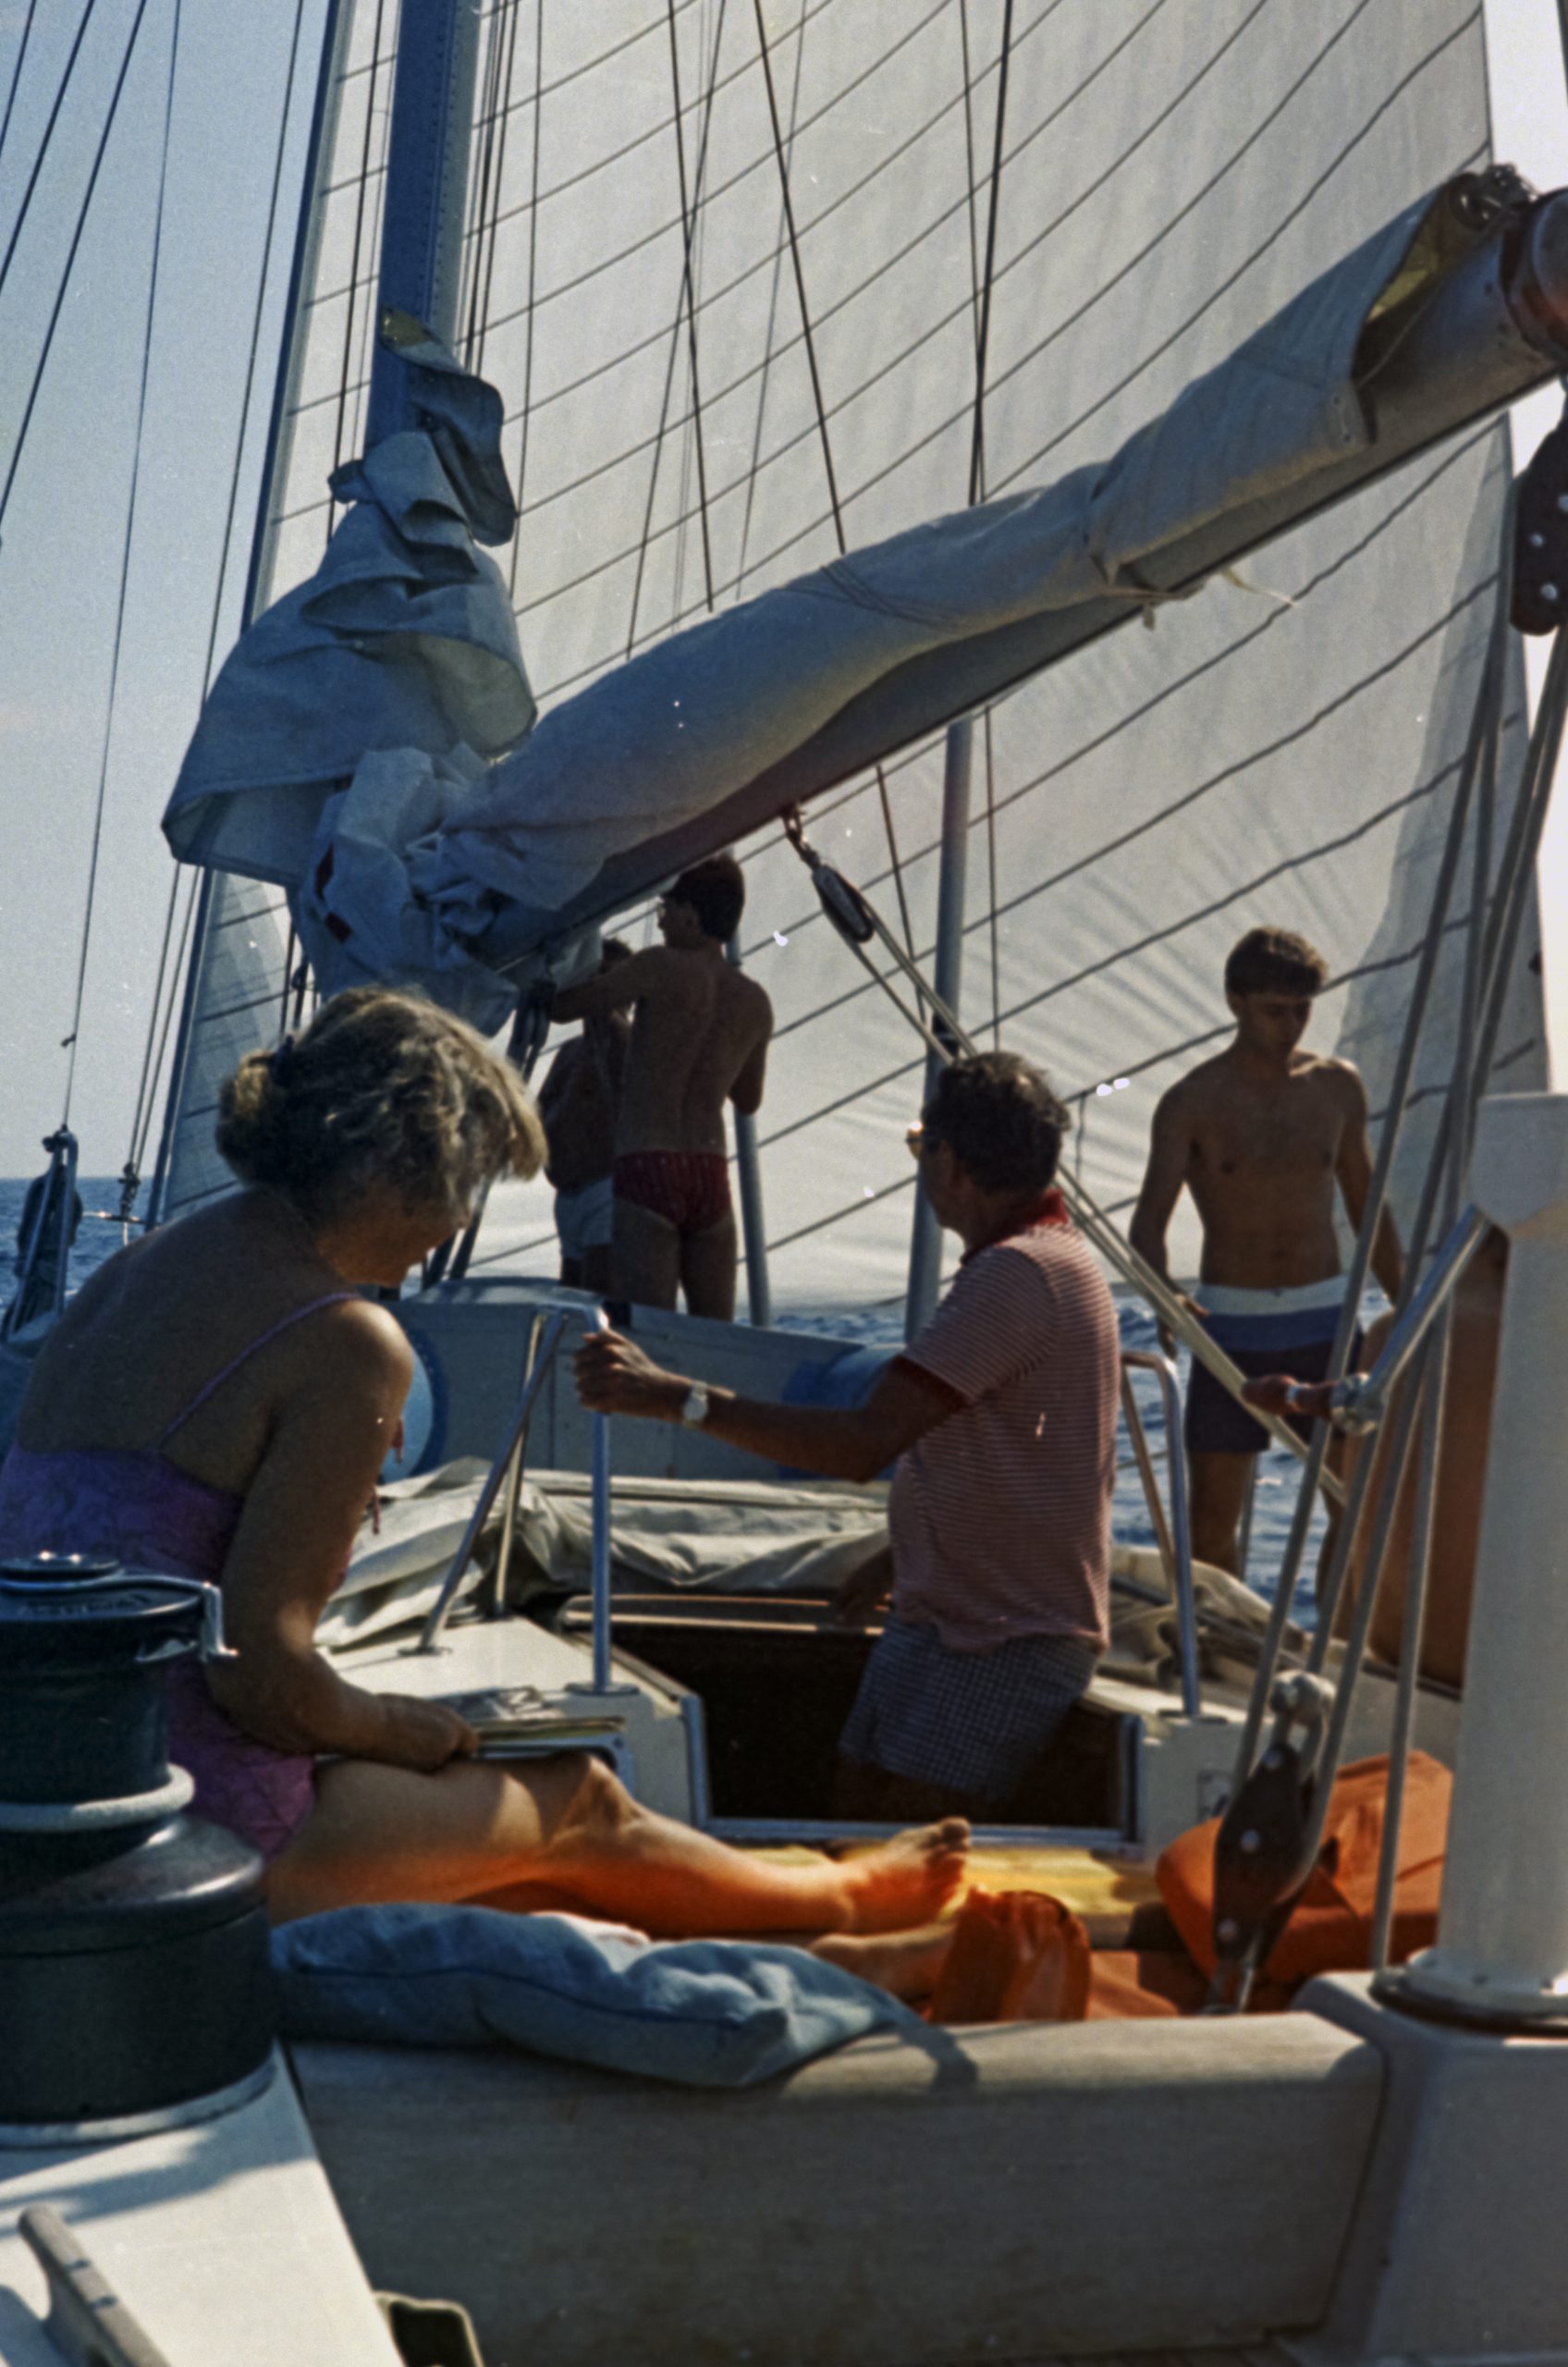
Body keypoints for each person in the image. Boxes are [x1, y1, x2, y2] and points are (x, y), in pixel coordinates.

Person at [0, 987, 967, 1936]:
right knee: (579, 1800)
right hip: (203, 1829)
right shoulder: (344, 1341)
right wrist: (402, 1728)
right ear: (399, 1164)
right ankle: (848, 1906)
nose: (457, 1223)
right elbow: (261, 1677)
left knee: (511, 1870)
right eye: (465, 1186)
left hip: (56, 1797)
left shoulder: (127, 1275)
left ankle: (852, 1953)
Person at [577, 1051, 1121, 1823]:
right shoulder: (1048, 1262)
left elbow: (863, 1445)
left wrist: (675, 1399)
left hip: (1004, 1640)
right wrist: (907, 1553)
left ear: (951, 1164)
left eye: (920, 1146)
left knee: (895, 1837)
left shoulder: (1016, 1276)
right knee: (854, 1805)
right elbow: (1021, 1450)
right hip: (953, 1617)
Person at [1129, 926, 1403, 1575]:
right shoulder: (1190, 1102)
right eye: (1275, 1011)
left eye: (1302, 1010)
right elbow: (1147, 1226)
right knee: (1211, 1527)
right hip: (1231, 1329)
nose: (1291, 1026)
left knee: (1353, 1510)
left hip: (1327, 1322)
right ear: (1236, 1002)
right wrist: (1165, 1296)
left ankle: (1331, 1634)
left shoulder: (1337, 1087)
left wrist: (1409, 1306)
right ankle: (1227, 1633)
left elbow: (1369, 1210)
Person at [550, 853, 771, 1320]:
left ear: (691, 915)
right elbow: (748, 1100)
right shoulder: (755, 1001)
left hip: (648, 1164)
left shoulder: (659, 966)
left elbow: (564, 1007)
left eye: (666, 909)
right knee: (715, 1334)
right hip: (710, 1173)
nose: (662, 921)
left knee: (649, 1334)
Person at [536, 938, 631, 1294]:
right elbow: (539, 1111)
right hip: (568, 1195)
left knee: (598, 1298)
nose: (597, 984)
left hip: (606, 1189)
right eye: (592, 975)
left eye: (607, 976)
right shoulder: (570, 1052)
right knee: (571, 1296)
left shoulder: (626, 1041)